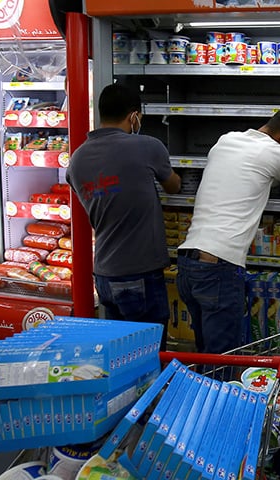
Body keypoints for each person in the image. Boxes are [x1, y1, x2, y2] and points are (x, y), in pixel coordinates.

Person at [177, 104, 280, 354]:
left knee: (205, 353)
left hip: (187, 263)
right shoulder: (278, 153)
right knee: (223, 360)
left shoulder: (225, 139)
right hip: (220, 268)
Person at [66, 83, 181, 340]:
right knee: (149, 352)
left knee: (121, 352)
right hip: (139, 272)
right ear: (134, 117)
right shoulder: (148, 146)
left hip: (104, 274)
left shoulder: (77, 159)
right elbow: (173, 186)